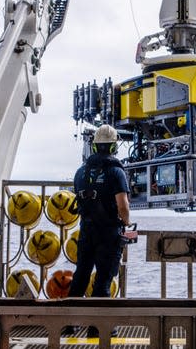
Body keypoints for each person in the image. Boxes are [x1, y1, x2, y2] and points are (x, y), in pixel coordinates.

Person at [68, 124, 131, 298]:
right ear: (114, 146)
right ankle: (99, 326)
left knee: (80, 277)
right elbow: (123, 206)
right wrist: (127, 223)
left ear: (94, 146)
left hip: (86, 232)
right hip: (109, 235)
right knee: (103, 282)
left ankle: (69, 323)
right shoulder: (116, 172)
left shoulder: (80, 172)